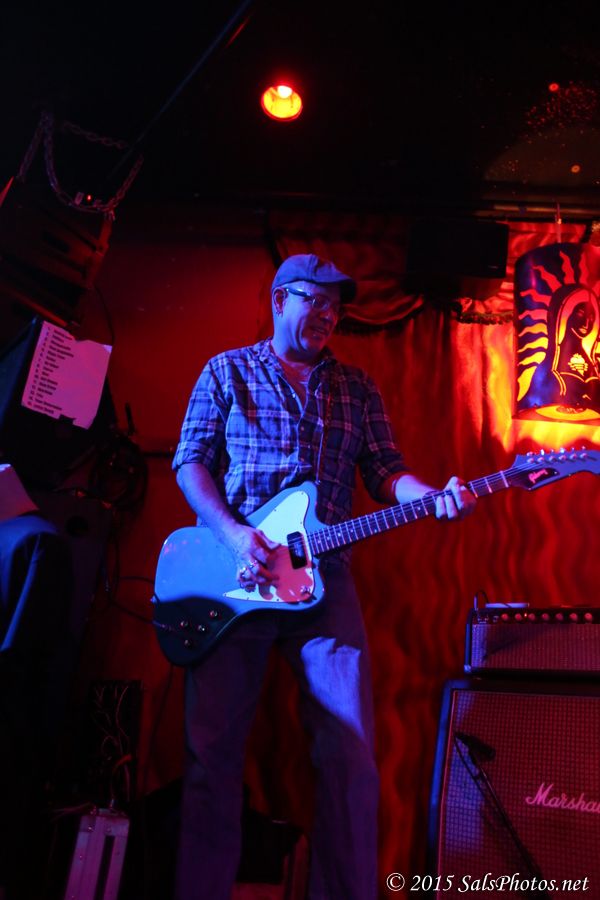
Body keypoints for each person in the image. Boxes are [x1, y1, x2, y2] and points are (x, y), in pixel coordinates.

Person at [171, 253, 476, 900]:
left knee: (350, 758)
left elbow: (386, 472)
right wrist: (235, 534)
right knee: (210, 758)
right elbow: (190, 462)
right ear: (279, 300)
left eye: (335, 306)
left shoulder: (356, 388)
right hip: (236, 577)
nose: (327, 314)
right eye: (314, 299)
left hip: (324, 580)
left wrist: (434, 496)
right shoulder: (226, 370)